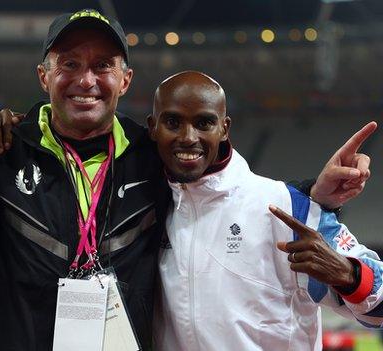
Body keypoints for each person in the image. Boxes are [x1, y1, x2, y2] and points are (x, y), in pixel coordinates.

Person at [0, 9, 372, 350]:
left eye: (101, 66)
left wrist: (315, 202)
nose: (85, 79)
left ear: (125, 79)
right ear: (43, 75)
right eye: (70, 64)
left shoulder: (154, 156)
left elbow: (219, 181)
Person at [149, 71, 381, 350]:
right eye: (173, 122)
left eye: (204, 123)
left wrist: (349, 275)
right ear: (153, 127)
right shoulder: (148, 207)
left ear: (224, 128)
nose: (188, 137)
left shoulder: (287, 207)